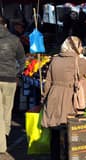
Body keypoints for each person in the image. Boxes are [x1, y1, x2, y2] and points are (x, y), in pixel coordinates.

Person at [0, 16, 25, 156]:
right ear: (6, 25)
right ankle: (5, 134)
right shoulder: (15, 40)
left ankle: (1, 144)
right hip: (10, 79)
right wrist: (16, 72)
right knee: (7, 109)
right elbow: (22, 61)